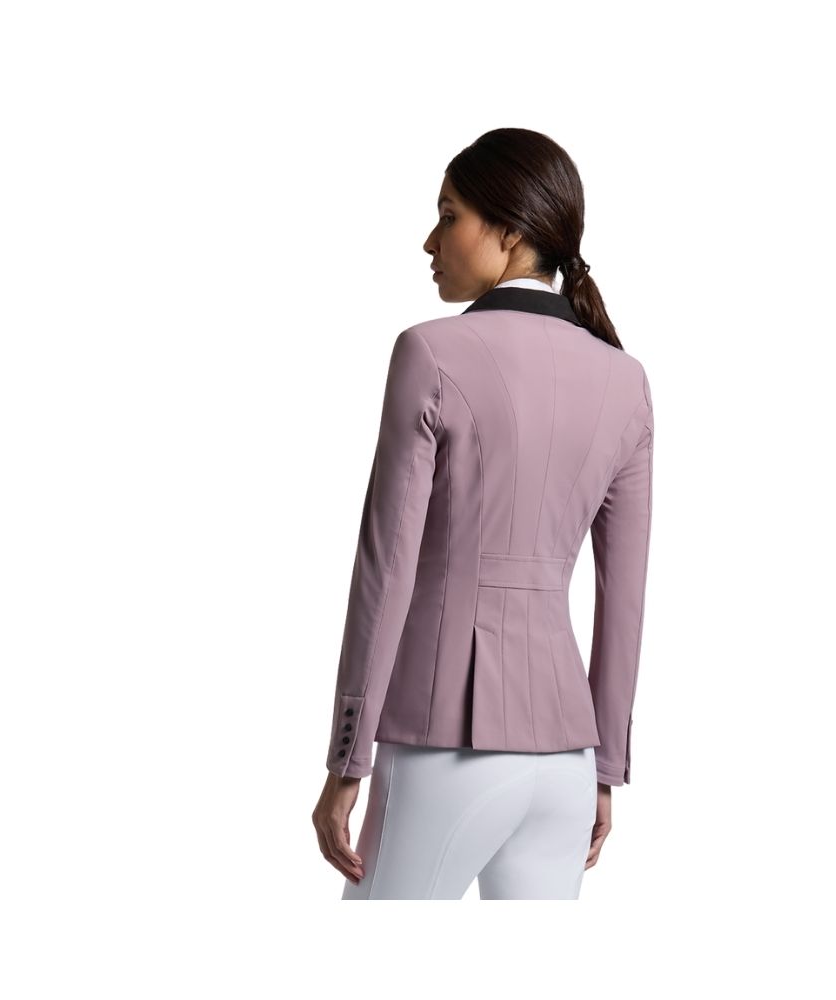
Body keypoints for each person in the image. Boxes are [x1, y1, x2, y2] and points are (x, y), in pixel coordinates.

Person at [311, 128, 654, 899]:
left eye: (448, 215)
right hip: (565, 763)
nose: (429, 240)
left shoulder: (431, 353)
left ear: (511, 230)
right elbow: (624, 598)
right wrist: (604, 769)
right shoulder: (626, 381)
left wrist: (347, 760)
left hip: (441, 747)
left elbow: (385, 570)